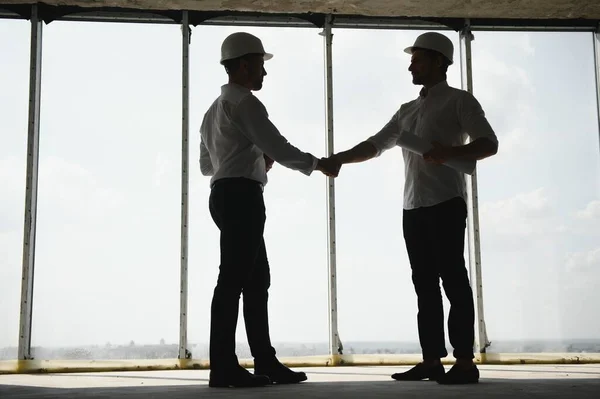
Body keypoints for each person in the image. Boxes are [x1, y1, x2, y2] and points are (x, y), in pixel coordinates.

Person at [328, 32, 498, 384]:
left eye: (417, 59)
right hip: (413, 207)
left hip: (447, 203)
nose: (410, 65)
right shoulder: (407, 110)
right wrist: (339, 159)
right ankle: (432, 361)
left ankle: (465, 363)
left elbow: (489, 144)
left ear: (439, 61)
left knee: (453, 280)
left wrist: (449, 152)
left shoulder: (460, 101)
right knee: (424, 285)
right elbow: (376, 144)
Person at [199, 31, 341, 388]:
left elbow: (206, 165)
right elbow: (277, 144)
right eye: (261, 65)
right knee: (235, 280)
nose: (264, 73)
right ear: (245, 65)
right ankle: (226, 367)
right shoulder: (246, 103)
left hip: (223, 194)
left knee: (254, 279)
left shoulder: (212, 111)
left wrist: (251, 156)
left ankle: (263, 362)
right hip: (242, 197)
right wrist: (317, 164)